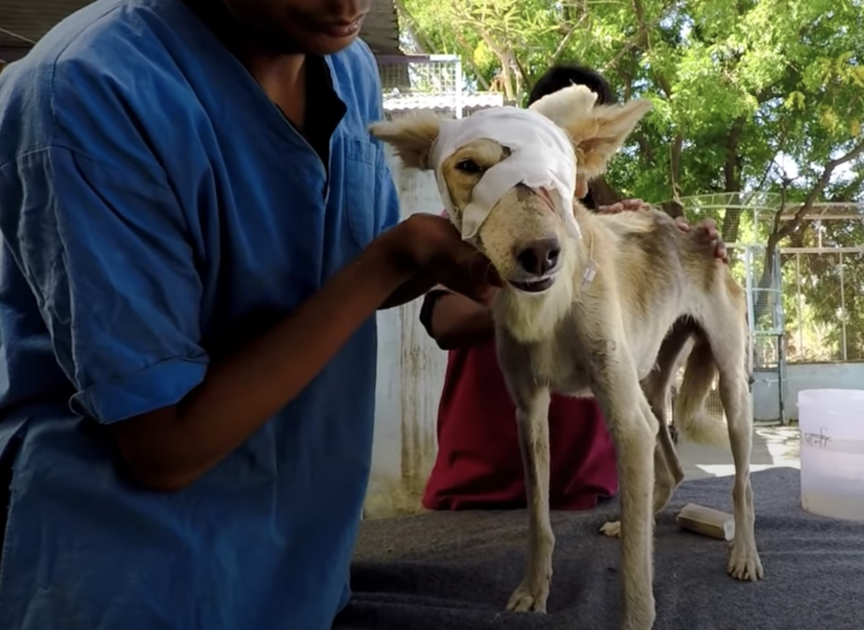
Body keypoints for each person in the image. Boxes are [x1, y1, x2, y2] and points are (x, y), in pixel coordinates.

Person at [0, 1, 499, 629]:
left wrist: (467, 255)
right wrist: (388, 260)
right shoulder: (87, 93)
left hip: (301, 576)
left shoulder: (348, 69)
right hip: (134, 583)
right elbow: (164, 447)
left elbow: (336, 283)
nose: (350, 4)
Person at [420, 64, 727, 512]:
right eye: (561, 136)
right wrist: (540, 292)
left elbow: (639, 347)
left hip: (591, 492)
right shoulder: (472, 219)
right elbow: (442, 320)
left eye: (591, 141)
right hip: (481, 489)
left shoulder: (613, 225)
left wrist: (686, 259)